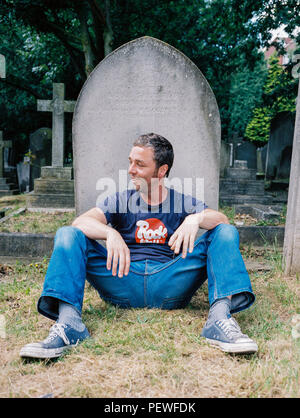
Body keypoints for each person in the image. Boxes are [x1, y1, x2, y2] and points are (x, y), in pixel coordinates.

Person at [20, 133, 257, 359]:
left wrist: (195, 218)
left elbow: (222, 220)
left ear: (161, 170)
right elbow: (80, 222)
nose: (131, 170)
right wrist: (109, 232)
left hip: (170, 282)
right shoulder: (120, 200)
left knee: (225, 232)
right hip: (122, 279)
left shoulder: (182, 201)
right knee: (68, 234)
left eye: (140, 164)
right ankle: (69, 324)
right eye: (130, 162)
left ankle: (218, 320)